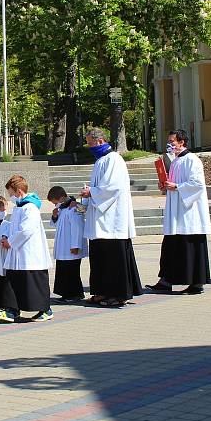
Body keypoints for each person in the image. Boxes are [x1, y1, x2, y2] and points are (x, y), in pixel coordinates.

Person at [80, 128, 142, 307]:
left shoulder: (114, 159)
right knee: (100, 257)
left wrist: (91, 191)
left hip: (112, 219)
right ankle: (102, 291)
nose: (89, 147)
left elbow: (113, 187)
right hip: (100, 217)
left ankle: (118, 294)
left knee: (114, 258)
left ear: (100, 141)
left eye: (90, 143)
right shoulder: (101, 161)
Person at [147, 129, 211, 295]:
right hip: (176, 211)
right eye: (169, 141)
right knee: (171, 246)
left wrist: (177, 187)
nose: (170, 144)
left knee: (190, 246)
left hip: (189, 213)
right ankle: (166, 280)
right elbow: (173, 183)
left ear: (182, 142)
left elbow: (197, 184)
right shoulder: (175, 161)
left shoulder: (192, 160)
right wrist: (165, 185)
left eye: (172, 141)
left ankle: (196, 283)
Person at [0, 175, 53, 323]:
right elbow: (14, 226)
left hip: (29, 253)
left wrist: (11, 242)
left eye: (11, 193)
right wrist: (7, 237)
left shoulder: (30, 208)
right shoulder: (20, 207)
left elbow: (26, 230)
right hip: (18, 252)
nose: (10, 197)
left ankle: (45, 309)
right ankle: (12, 310)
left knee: (34, 281)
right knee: (13, 280)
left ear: (18, 191)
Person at [47, 185, 88, 302]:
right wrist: (54, 216)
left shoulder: (74, 207)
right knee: (63, 270)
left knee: (72, 271)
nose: (55, 205)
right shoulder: (63, 208)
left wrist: (76, 245)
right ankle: (65, 293)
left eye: (55, 203)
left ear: (60, 198)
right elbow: (56, 224)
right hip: (63, 247)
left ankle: (75, 294)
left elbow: (78, 227)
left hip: (71, 246)